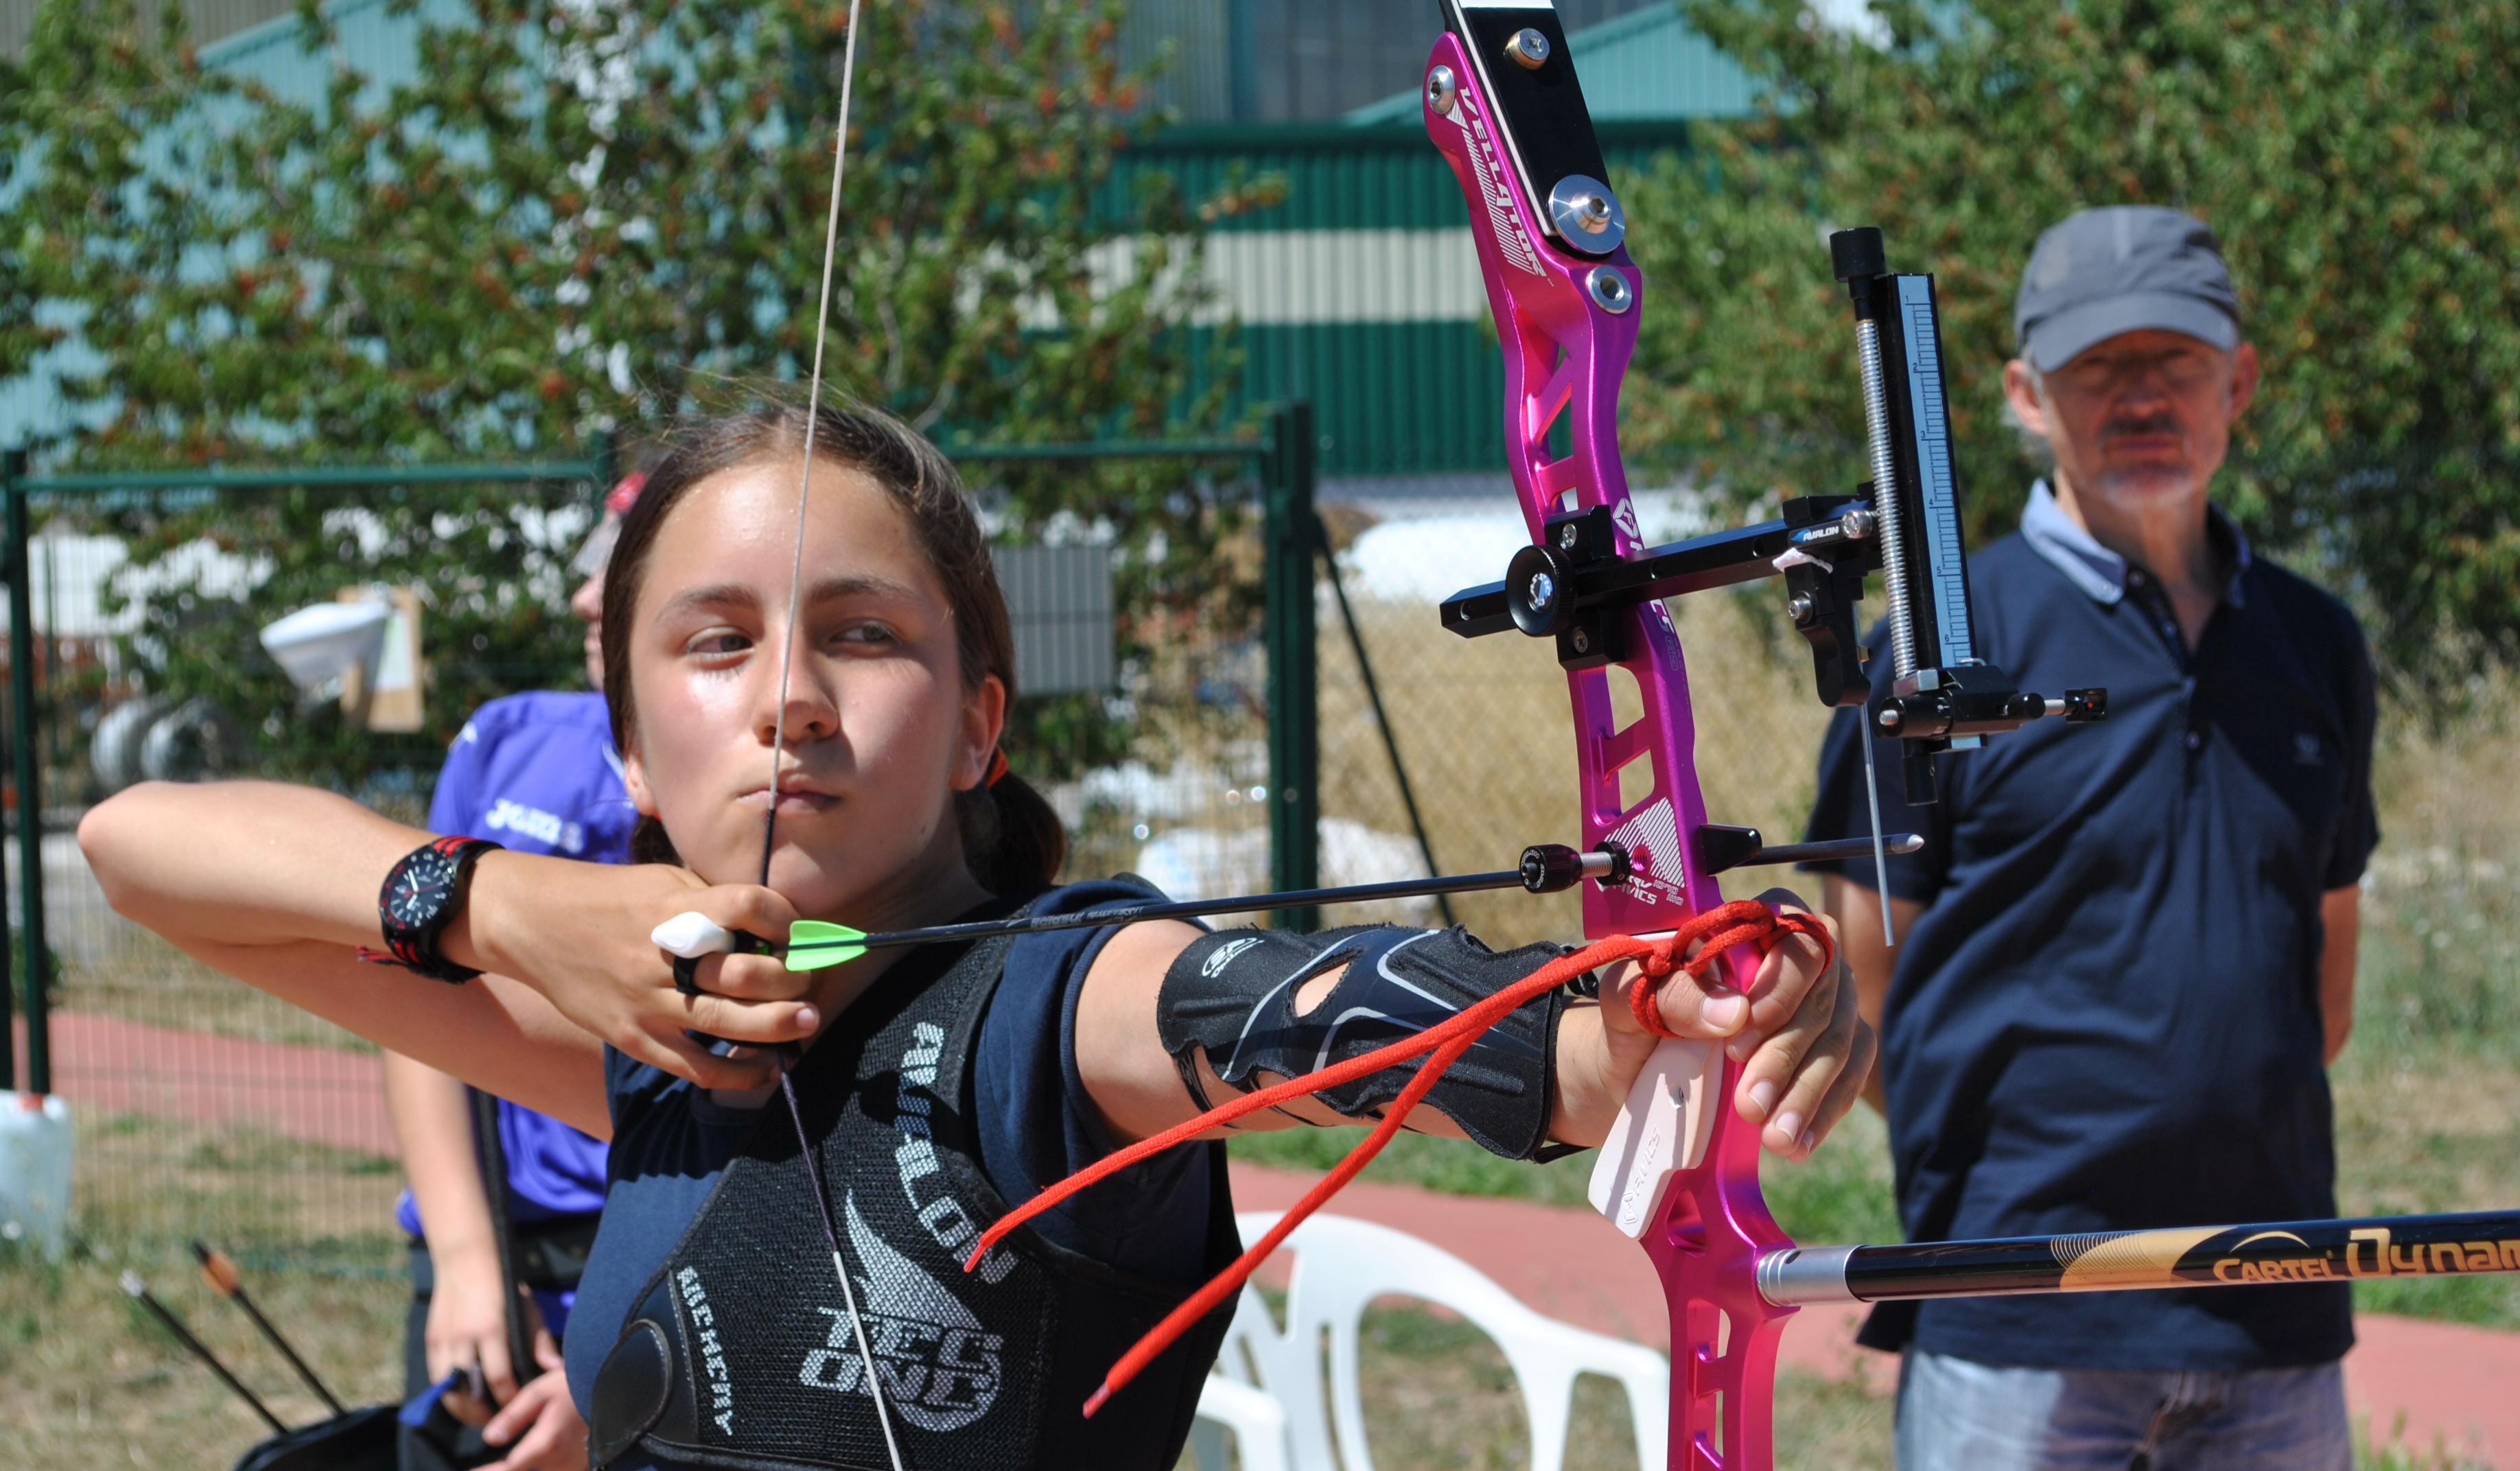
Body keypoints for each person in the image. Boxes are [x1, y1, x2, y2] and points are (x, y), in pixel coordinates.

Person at [80, 398, 1869, 1471]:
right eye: (713, 646)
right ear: (625, 740)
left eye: (860, 634)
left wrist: (1597, 1031)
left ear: (982, 722)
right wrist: (502, 900)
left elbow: (1275, 1003)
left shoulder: (1052, 1008)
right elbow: (143, 849)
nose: (787, 699)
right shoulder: (661, 1049)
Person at [1801, 207, 2379, 1470]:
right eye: (2096, 368)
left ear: (2239, 379)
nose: (2141, 398)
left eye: (2173, 362)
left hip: (2272, 1297)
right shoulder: (1940, 655)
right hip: (2015, 1303)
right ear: (2024, 392)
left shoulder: (2317, 642)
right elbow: (1865, 987)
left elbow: (2322, 989)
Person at [383, 472, 646, 1471]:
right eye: (586, 567)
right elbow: (416, 1003)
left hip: (657, 1281)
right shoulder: (505, 739)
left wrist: (612, 1374)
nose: (585, 597)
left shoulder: (756, 798)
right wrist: (463, 1258)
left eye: (616, 570)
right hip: (487, 1265)